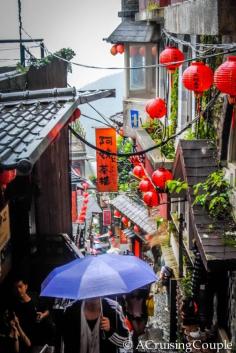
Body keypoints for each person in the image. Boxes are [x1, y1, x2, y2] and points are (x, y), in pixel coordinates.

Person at [62, 297, 130, 353]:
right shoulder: (71, 310)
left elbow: (126, 343)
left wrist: (110, 331)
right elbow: (65, 344)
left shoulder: (113, 308)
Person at [11, 277, 55, 347]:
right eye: (15, 288)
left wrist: (43, 315)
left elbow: (48, 309)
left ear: (26, 286)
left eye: (20, 286)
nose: (18, 290)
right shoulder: (15, 306)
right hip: (33, 341)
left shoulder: (35, 296)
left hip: (47, 334)